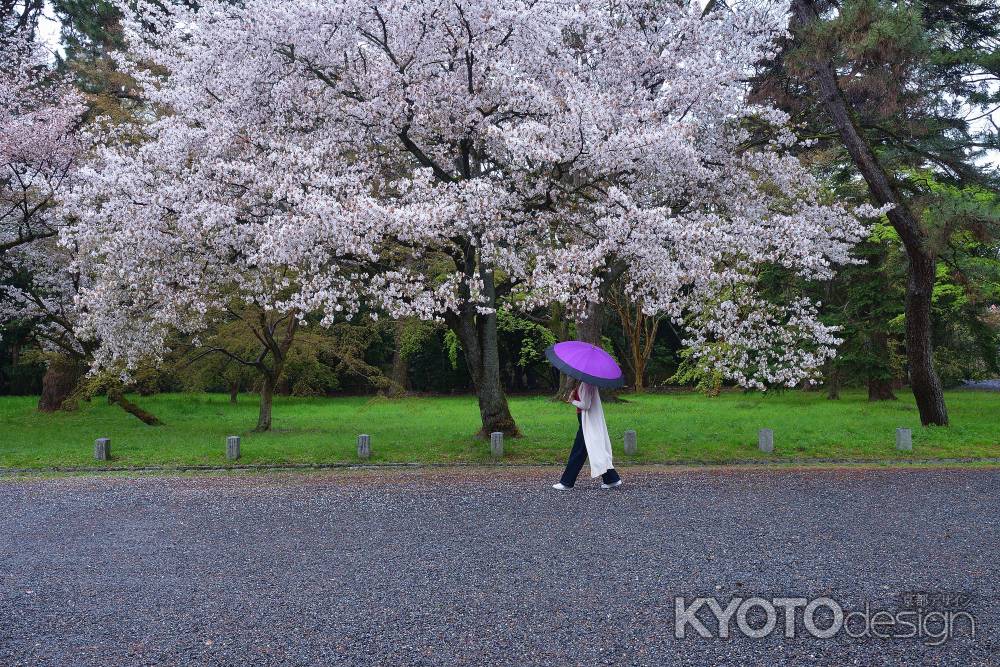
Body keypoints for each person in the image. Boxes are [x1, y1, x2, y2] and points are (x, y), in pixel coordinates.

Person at [552, 380, 622, 490]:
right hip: (586, 422)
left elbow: (585, 405)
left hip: (587, 422)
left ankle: (566, 482)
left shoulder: (587, 384)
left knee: (578, 452)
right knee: (590, 450)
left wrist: (572, 401)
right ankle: (612, 479)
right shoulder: (585, 383)